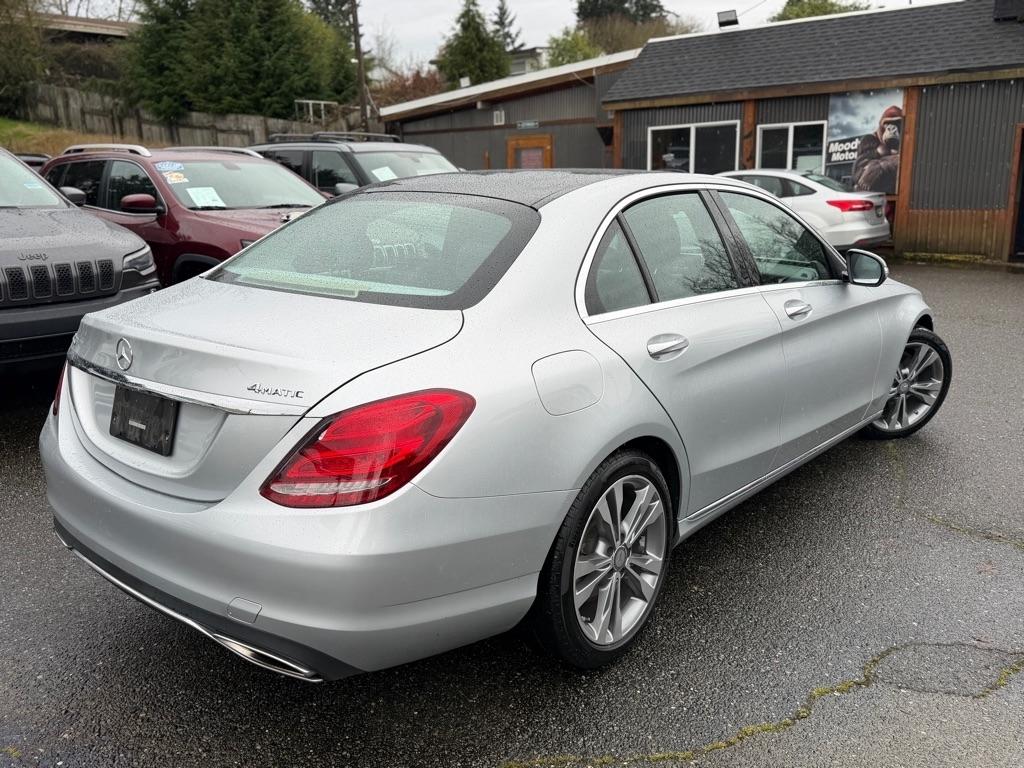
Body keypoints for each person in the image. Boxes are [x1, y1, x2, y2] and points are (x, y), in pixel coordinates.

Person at [852, 105, 903, 193]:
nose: (892, 129)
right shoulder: (870, 140)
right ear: (880, 126)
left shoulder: (907, 143)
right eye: (887, 124)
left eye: (897, 123)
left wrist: (881, 165)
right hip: (873, 194)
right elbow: (859, 175)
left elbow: (909, 163)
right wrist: (896, 159)